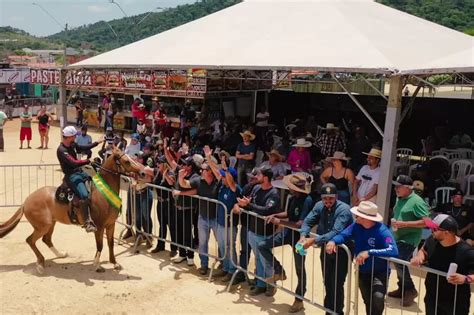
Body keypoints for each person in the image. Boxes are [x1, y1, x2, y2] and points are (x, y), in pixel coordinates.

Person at [326, 201, 398, 315]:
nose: (355, 218)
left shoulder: (382, 231)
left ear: (366, 218)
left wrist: (369, 252)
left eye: (357, 216)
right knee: (367, 300)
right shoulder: (356, 226)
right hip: (362, 270)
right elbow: (343, 235)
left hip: (380, 272)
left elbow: (393, 250)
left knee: (378, 298)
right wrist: (333, 241)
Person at [259, 173, 313, 313]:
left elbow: (300, 224)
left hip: (300, 239)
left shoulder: (307, 200)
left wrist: (280, 222)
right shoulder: (293, 197)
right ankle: (279, 270)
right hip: (288, 234)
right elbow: (288, 213)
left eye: (291, 187)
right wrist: (275, 215)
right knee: (263, 245)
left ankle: (299, 299)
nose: (289, 189)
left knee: (300, 269)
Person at [299, 183, 353, 315]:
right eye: (325, 199)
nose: (328, 202)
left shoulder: (344, 209)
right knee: (327, 281)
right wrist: (303, 235)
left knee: (337, 283)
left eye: (331, 198)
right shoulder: (319, 205)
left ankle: (337, 312)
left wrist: (313, 240)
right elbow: (308, 221)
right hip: (326, 249)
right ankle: (329, 311)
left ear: (336, 197)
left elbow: (335, 231)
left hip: (342, 251)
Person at [411, 214, 474, 315]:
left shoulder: (466, 251)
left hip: (455, 303)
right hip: (432, 297)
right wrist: (420, 257)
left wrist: (466, 279)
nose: (431, 231)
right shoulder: (432, 240)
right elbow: (424, 250)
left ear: (447, 233)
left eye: (434, 229)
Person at [234, 166, 281, 297]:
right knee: (258, 259)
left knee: (265, 259)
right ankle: (261, 284)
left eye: (259, 175)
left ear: (265, 177)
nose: (256, 177)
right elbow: (251, 202)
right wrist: (244, 202)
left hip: (265, 232)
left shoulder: (274, 193)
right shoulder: (256, 188)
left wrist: (248, 205)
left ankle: (271, 285)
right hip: (252, 229)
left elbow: (266, 210)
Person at [389, 175, 429, 306]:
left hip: (409, 238)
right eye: (395, 186)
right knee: (396, 262)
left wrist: (405, 224)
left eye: (398, 186)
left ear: (407, 188)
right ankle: (403, 288)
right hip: (397, 236)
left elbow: (427, 222)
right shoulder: (400, 198)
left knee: (399, 260)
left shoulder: (417, 201)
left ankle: (410, 289)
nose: (396, 188)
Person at [204, 146, 241, 281]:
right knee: (222, 246)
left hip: (230, 224)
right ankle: (225, 268)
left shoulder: (234, 188)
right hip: (220, 222)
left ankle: (233, 271)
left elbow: (230, 182)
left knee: (230, 247)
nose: (222, 178)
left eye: (225, 177)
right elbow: (216, 171)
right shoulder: (223, 185)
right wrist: (208, 158)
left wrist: (226, 170)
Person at [177, 156, 220, 275]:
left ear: (211, 171)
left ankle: (224, 266)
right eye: (200, 169)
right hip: (203, 218)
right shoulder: (199, 181)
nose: (201, 171)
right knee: (202, 243)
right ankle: (204, 265)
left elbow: (219, 173)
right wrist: (180, 178)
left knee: (221, 243)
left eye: (204, 169)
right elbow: (185, 184)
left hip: (217, 219)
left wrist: (210, 159)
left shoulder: (218, 181)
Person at [57, 126, 102, 232]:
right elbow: (74, 162)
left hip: (79, 172)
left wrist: (97, 143)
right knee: (84, 195)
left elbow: (83, 148)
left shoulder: (72, 144)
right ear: (69, 137)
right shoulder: (62, 150)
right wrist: (88, 161)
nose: (76, 137)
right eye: (74, 136)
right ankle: (87, 222)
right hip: (72, 176)